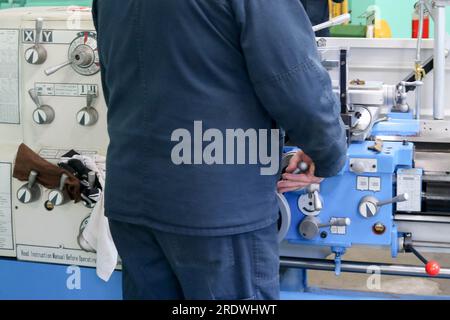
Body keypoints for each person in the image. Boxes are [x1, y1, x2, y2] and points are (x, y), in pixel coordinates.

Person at [92, 0, 347, 300]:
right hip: (217, 210)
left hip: (132, 200)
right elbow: (296, 82)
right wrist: (328, 154)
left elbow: (113, 84)